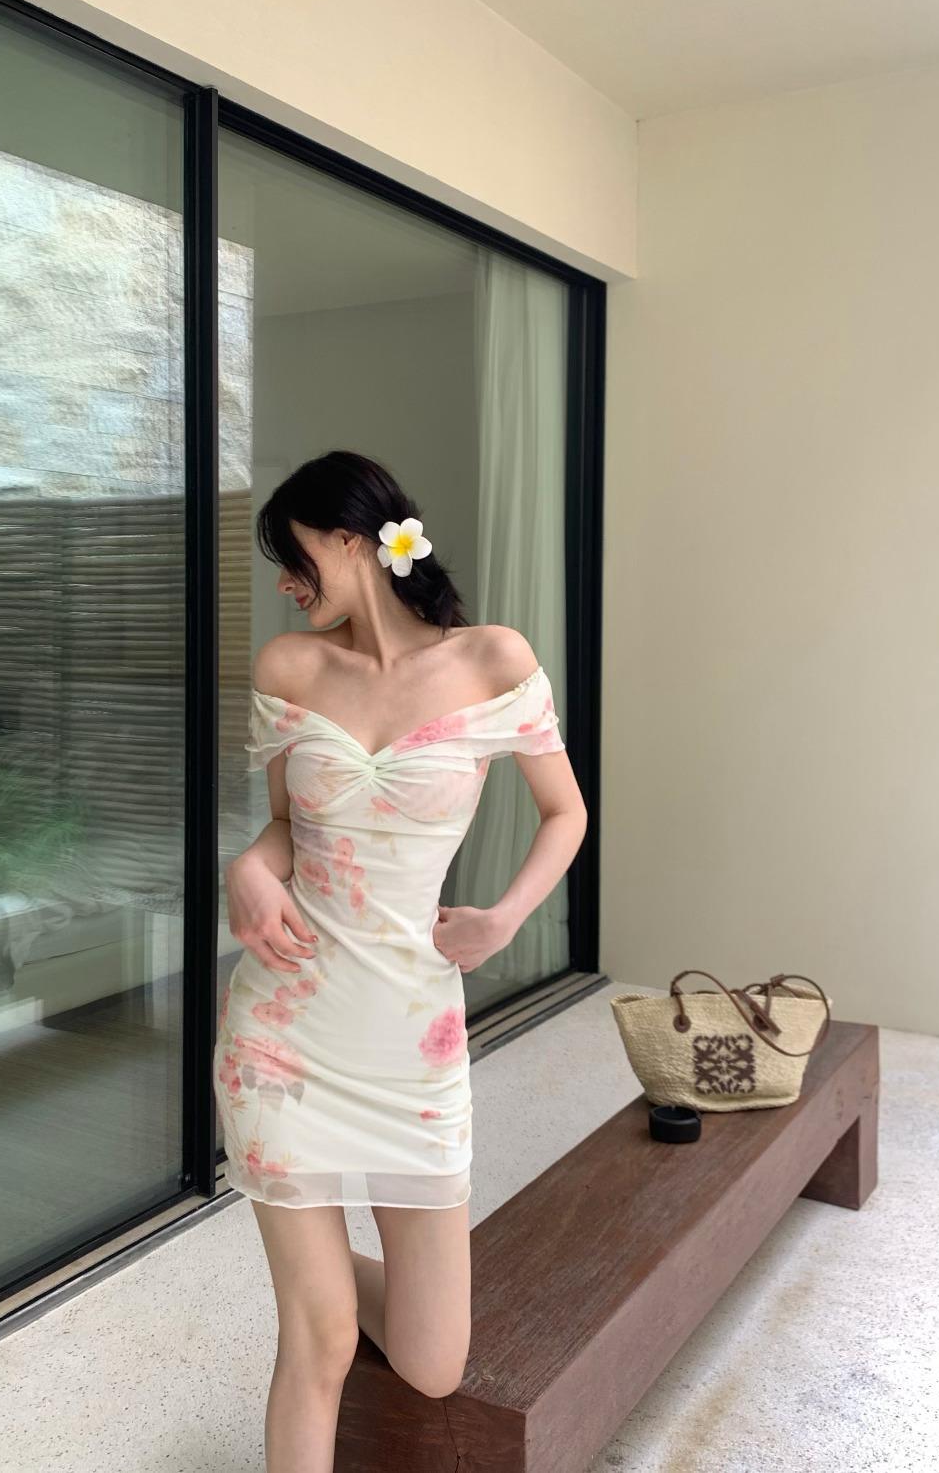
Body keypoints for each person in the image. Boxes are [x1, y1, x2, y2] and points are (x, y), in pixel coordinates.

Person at [217, 448, 586, 1472]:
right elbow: (284, 831)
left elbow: (565, 813)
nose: (285, 586)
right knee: (322, 1340)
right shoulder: (291, 669)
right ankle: (317, 1284)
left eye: (292, 558)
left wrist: (503, 918)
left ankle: (322, 1265)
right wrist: (247, 871)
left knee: (431, 1361)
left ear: (350, 540)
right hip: (284, 1037)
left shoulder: (492, 660)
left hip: (412, 1046)